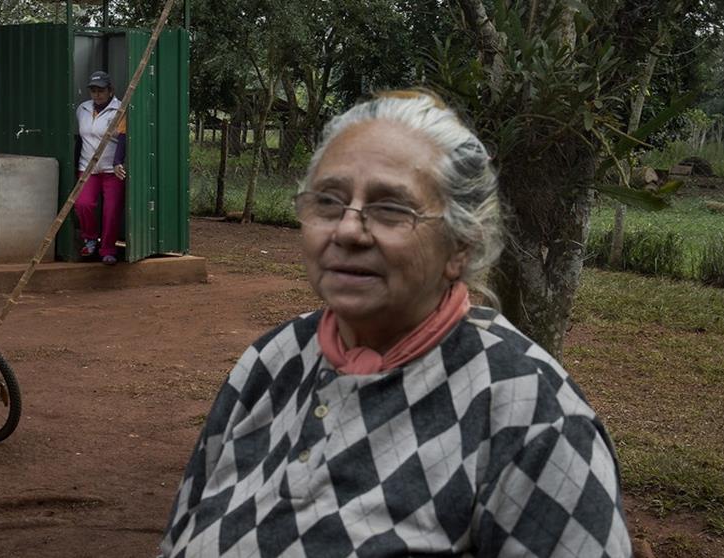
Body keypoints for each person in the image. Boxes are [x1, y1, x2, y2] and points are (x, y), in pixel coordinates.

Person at [159, 90, 632, 557]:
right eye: (328, 201)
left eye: (390, 208)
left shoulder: (535, 416)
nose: (347, 230)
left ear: (461, 244)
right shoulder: (272, 361)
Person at [75, 70, 127, 266]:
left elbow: (122, 139)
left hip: (110, 170)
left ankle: (108, 249)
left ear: (110, 90)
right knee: (83, 203)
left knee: (111, 210)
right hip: (87, 167)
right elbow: (79, 139)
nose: (97, 94)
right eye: (93, 90)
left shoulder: (119, 110)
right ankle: (89, 239)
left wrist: (117, 162)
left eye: (101, 90)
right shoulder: (83, 109)